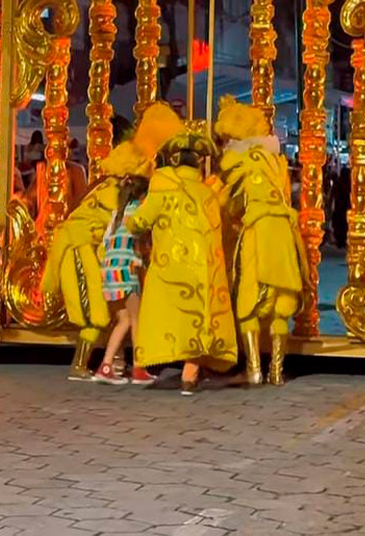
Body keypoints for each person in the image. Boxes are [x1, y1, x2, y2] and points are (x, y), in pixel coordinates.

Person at [41, 103, 184, 380]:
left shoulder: (114, 192)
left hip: (101, 257)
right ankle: (85, 365)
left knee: (120, 315)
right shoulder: (115, 195)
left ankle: (116, 363)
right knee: (98, 312)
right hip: (79, 250)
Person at [128, 128, 237, 396]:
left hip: (171, 265)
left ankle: (146, 363)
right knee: (198, 317)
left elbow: (140, 221)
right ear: (199, 163)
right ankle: (190, 374)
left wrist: (129, 220)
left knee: (168, 315)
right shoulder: (207, 193)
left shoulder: (163, 184)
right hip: (204, 268)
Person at [215, 97, 309, 387]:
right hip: (284, 233)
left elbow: (233, 204)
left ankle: (254, 369)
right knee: (281, 302)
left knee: (249, 299)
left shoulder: (239, 161)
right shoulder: (274, 160)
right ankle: (277, 371)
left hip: (257, 232)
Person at [92, 175, 154, 386]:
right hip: (127, 270)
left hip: (110, 272)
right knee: (136, 320)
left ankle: (106, 365)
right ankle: (139, 366)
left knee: (124, 320)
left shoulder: (116, 214)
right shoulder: (137, 212)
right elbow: (138, 243)